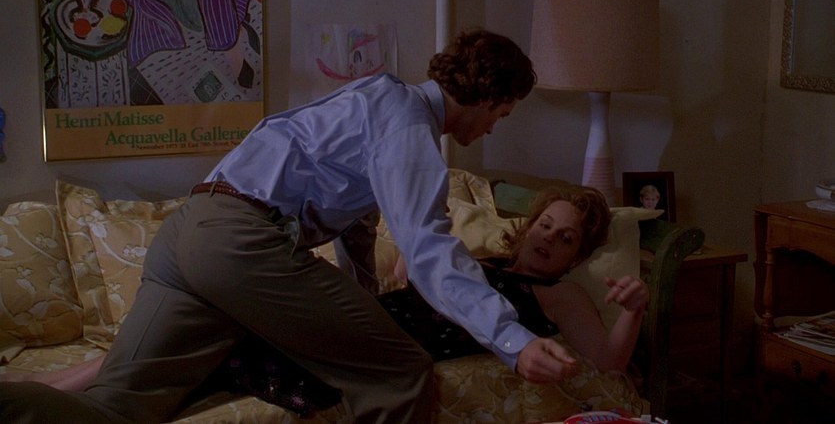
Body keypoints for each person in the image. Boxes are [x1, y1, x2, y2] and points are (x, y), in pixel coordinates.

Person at [0, 29, 572, 424]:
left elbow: (358, 222)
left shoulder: (374, 98)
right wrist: (513, 340)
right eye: (501, 114)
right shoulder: (408, 126)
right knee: (400, 370)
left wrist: (364, 303)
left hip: (187, 234)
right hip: (240, 246)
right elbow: (427, 245)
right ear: (489, 95)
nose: (493, 129)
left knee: (114, 409)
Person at [0, 184, 650, 416]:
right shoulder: (477, 260)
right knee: (207, 330)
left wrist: (632, 307)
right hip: (373, 318)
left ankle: (52, 394)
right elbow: (416, 281)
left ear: (576, 255)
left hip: (379, 345)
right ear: (529, 224)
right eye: (545, 225)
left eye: (565, 238)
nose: (547, 239)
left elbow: (610, 363)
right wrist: (413, 260)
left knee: (215, 351)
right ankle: (48, 389)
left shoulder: (560, 295)